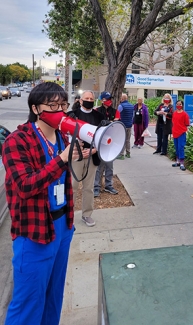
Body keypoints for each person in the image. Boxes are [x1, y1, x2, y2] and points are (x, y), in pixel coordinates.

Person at [2, 82, 80, 325]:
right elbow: (25, 186)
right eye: (53, 105)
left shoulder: (62, 137)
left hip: (62, 227)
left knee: (54, 296)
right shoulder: (17, 140)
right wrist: (62, 159)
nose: (60, 110)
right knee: (28, 302)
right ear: (36, 108)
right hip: (34, 233)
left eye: (63, 105)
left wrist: (78, 155)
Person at [68, 90, 105, 227]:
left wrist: (94, 150)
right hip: (76, 155)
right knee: (72, 186)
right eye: (86, 98)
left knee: (88, 187)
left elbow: (104, 137)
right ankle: (69, 215)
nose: (89, 100)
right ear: (80, 100)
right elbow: (65, 134)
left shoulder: (99, 117)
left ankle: (87, 215)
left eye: (91, 98)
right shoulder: (73, 115)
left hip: (92, 155)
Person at [93, 91, 120, 197]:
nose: (110, 101)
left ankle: (109, 185)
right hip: (99, 141)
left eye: (110, 99)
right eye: (107, 99)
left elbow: (117, 124)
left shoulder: (115, 111)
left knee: (110, 165)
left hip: (111, 142)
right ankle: (96, 187)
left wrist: (109, 122)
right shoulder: (96, 111)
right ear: (102, 100)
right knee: (98, 167)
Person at [171, 100, 190, 171]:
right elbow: (173, 122)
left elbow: (187, 124)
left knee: (180, 147)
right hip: (175, 132)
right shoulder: (174, 113)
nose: (179, 105)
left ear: (182, 105)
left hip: (181, 133)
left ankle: (182, 163)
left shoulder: (185, 114)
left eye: (180, 104)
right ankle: (177, 161)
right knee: (176, 147)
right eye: (177, 104)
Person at [118, 93, 134, 159]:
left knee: (122, 140)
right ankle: (128, 153)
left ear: (122, 99)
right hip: (129, 125)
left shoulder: (121, 106)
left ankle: (121, 155)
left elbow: (118, 114)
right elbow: (133, 115)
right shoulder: (131, 106)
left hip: (123, 125)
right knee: (128, 140)